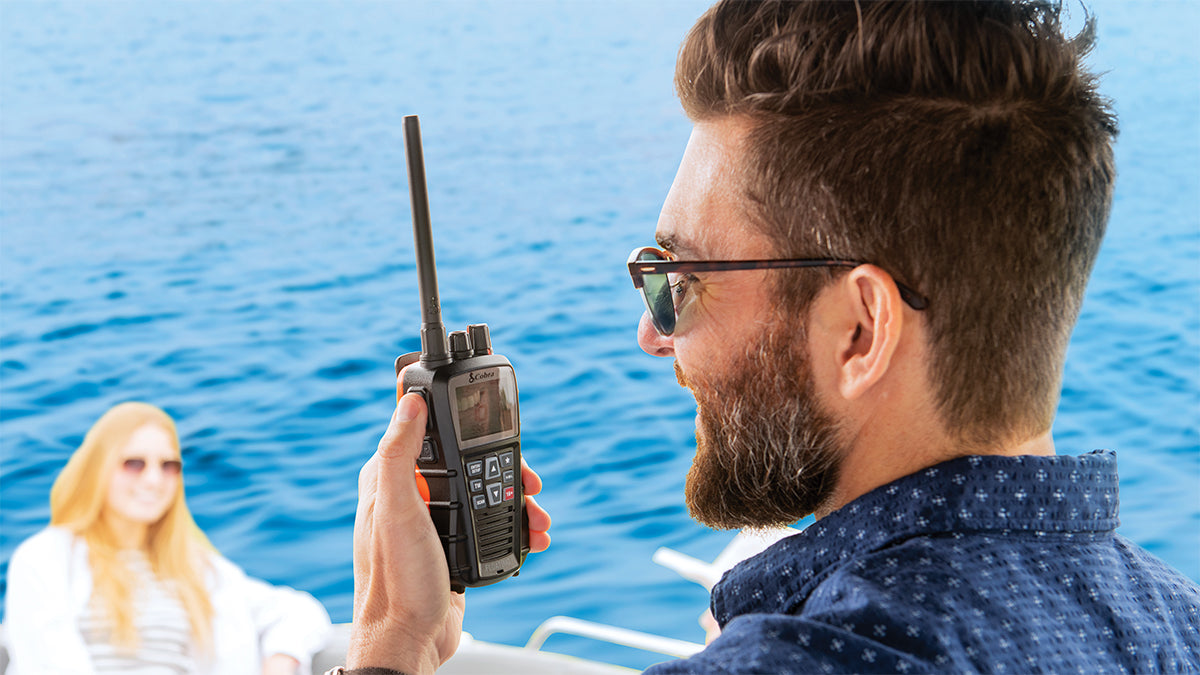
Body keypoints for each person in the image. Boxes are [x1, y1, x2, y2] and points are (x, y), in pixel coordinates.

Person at [335, 1, 1200, 674]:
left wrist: (391, 641)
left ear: (860, 330)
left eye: (682, 279)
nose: (651, 332)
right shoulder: (1179, 624)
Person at [6, 401, 332, 675]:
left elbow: (298, 611)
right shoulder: (46, 557)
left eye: (168, 466)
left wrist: (280, 661)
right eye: (134, 464)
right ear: (98, 469)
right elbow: (48, 661)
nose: (153, 479)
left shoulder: (198, 572)